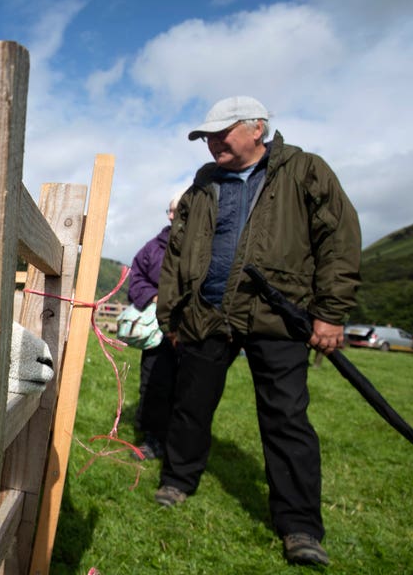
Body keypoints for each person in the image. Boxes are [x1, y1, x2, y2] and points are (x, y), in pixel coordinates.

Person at [154, 96, 361, 567]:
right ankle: (178, 480)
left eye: (221, 133)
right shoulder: (203, 185)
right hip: (207, 313)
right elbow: (178, 253)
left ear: (257, 129)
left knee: (286, 418)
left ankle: (300, 526)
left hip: (278, 316)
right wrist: (173, 316)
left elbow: (340, 239)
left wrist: (330, 312)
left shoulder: (305, 171)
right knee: (191, 403)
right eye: (206, 136)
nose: (211, 143)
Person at [126, 191, 183, 460]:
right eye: (170, 210)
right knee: (153, 385)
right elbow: (135, 280)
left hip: (191, 330)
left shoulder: (204, 245)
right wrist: (155, 296)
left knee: (186, 387)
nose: (173, 215)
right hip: (158, 333)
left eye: (179, 210)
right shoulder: (152, 248)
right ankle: (151, 439)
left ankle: (179, 443)